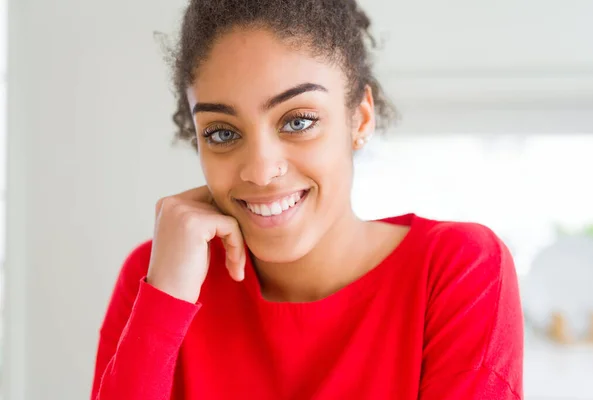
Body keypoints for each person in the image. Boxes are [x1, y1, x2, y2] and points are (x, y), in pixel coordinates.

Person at [91, 0, 524, 399]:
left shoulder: (458, 270)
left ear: (360, 118)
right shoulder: (158, 278)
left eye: (298, 121)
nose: (260, 170)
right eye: (222, 132)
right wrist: (163, 303)